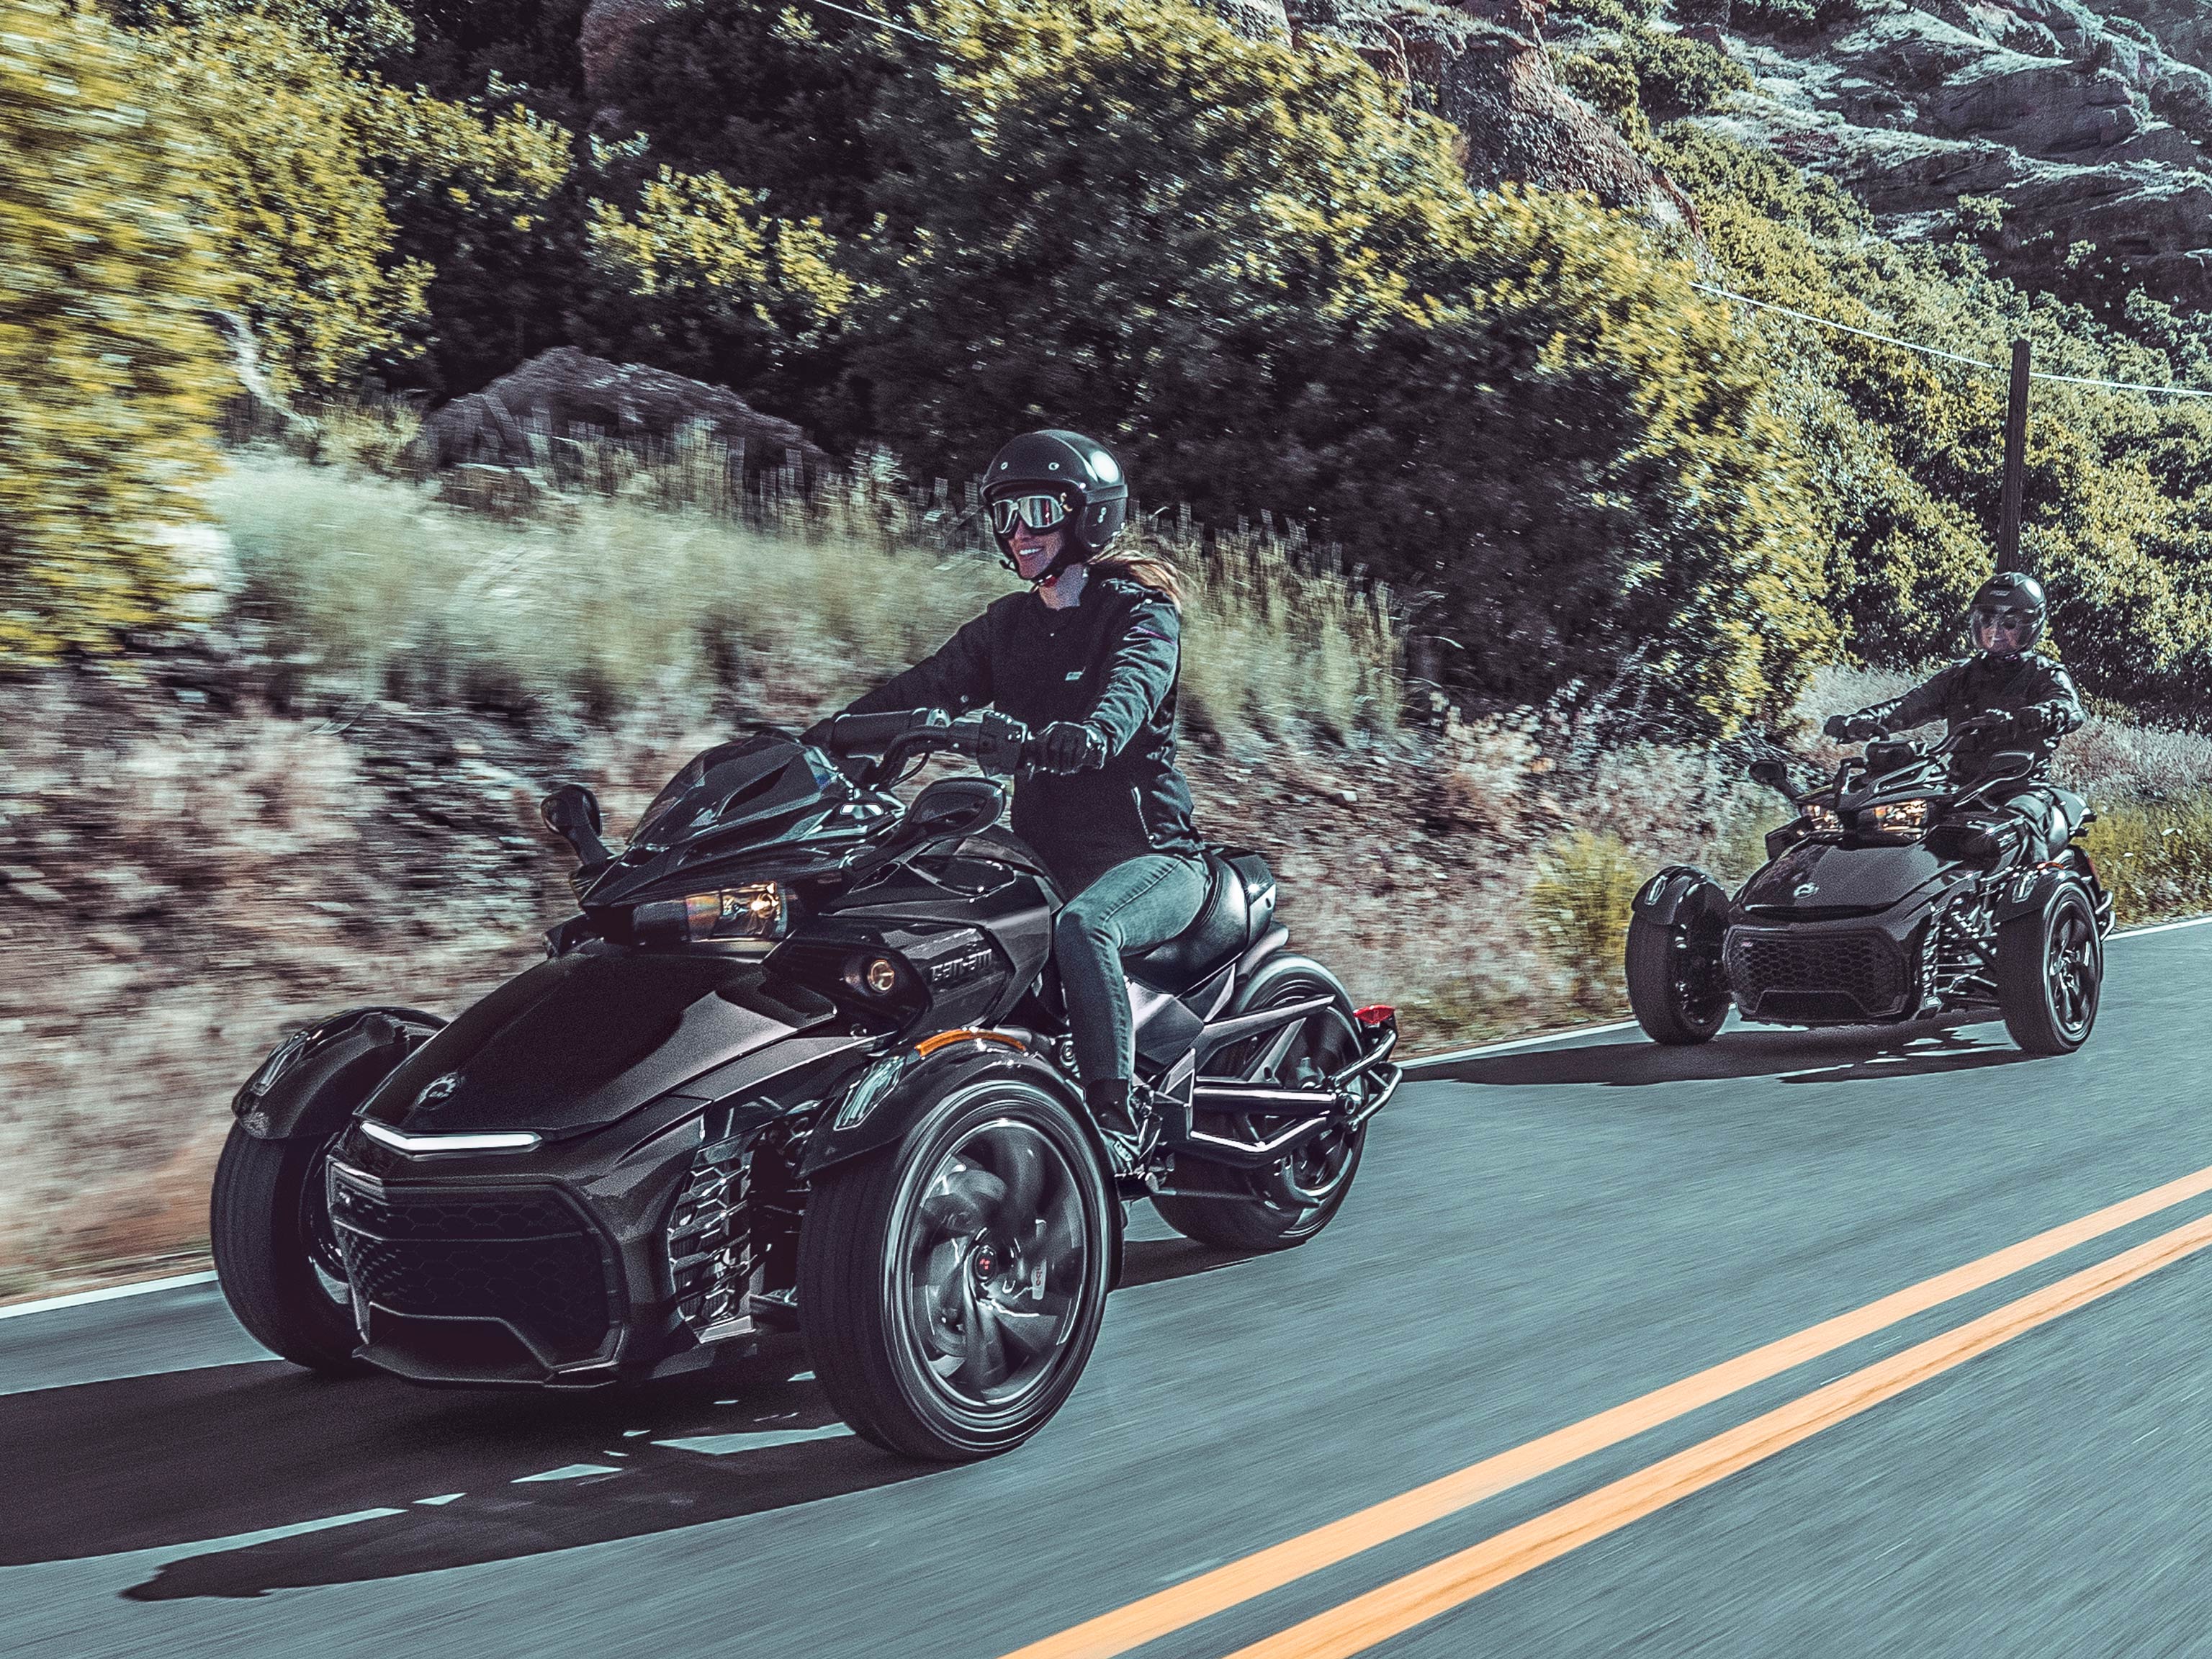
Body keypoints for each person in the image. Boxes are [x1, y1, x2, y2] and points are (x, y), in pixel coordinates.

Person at [812, 430, 1205, 1143]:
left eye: (1038, 511)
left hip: (1151, 857)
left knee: (1086, 928)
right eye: (1005, 514)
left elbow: (1133, 688)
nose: (1018, 531)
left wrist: (1091, 734)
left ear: (1087, 516)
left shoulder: (1140, 613)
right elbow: (927, 685)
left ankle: (1113, 1119)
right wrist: (829, 737)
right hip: (1044, 855)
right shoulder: (1009, 625)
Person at [1823, 570, 2085, 857]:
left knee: (2016, 829)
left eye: (2009, 623)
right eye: (1987, 620)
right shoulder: (1960, 675)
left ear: (2029, 627)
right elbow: (1908, 706)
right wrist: (1863, 721)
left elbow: (2070, 708)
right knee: (1890, 829)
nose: (1995, 630)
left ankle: (2036, 885)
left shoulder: (2044, 673)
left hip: (2020, 788)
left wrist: (2044, 714)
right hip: (1958, 787)